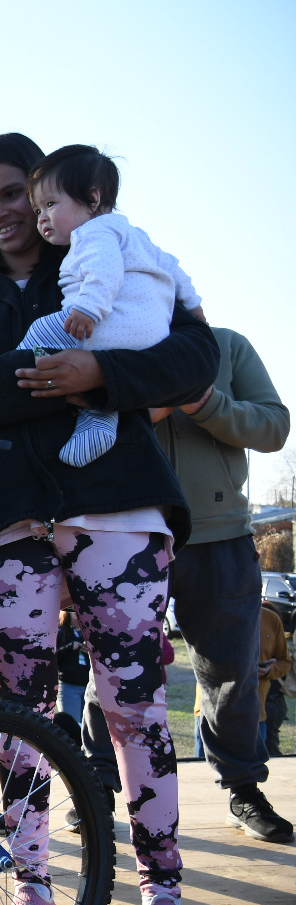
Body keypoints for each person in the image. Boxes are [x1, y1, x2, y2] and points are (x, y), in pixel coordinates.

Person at [0, 132, 222, 905]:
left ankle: (164, 896)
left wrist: (104, 377)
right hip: (5, 524)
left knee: (137, 703)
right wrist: (62, 371)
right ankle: (33, 891)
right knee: (22, 713)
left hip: (118, 513)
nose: (5, 213)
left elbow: (195, 355)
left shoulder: (105, 254)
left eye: (17, 193)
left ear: (48, 190)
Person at [150, 326, 291, 842]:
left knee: (233, 672)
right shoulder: (106, 347)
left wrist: (204, 402)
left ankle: (243, 790)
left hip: (222, 534)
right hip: (129, 532)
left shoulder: (226, 346)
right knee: (118, 669)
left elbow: (275, 427)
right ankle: (98, 782)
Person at [0, 146, 201, 467]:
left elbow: (105, 269)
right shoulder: (136, 234)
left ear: (92, 198)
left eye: (50, 204)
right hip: (150, 336)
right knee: (100, 389)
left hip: (110, 323)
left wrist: (89, 308)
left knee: (42, 331)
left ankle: (13, 374)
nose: (42, 217)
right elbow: (173, 268)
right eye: (37, 211)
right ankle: (99, 423)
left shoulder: (93, 232)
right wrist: (195, 307)